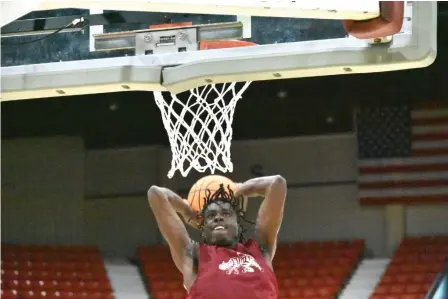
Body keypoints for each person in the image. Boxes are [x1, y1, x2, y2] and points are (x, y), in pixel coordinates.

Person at [147, 175, 287, 299]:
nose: (218, 218)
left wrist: (240, 190)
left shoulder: (261, 252)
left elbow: (277, 183)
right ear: (203, 226)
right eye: (211, 215)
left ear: (237, 222)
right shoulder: (193, 256)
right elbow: (156, 194)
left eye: (226, 213)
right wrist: (186, 212)